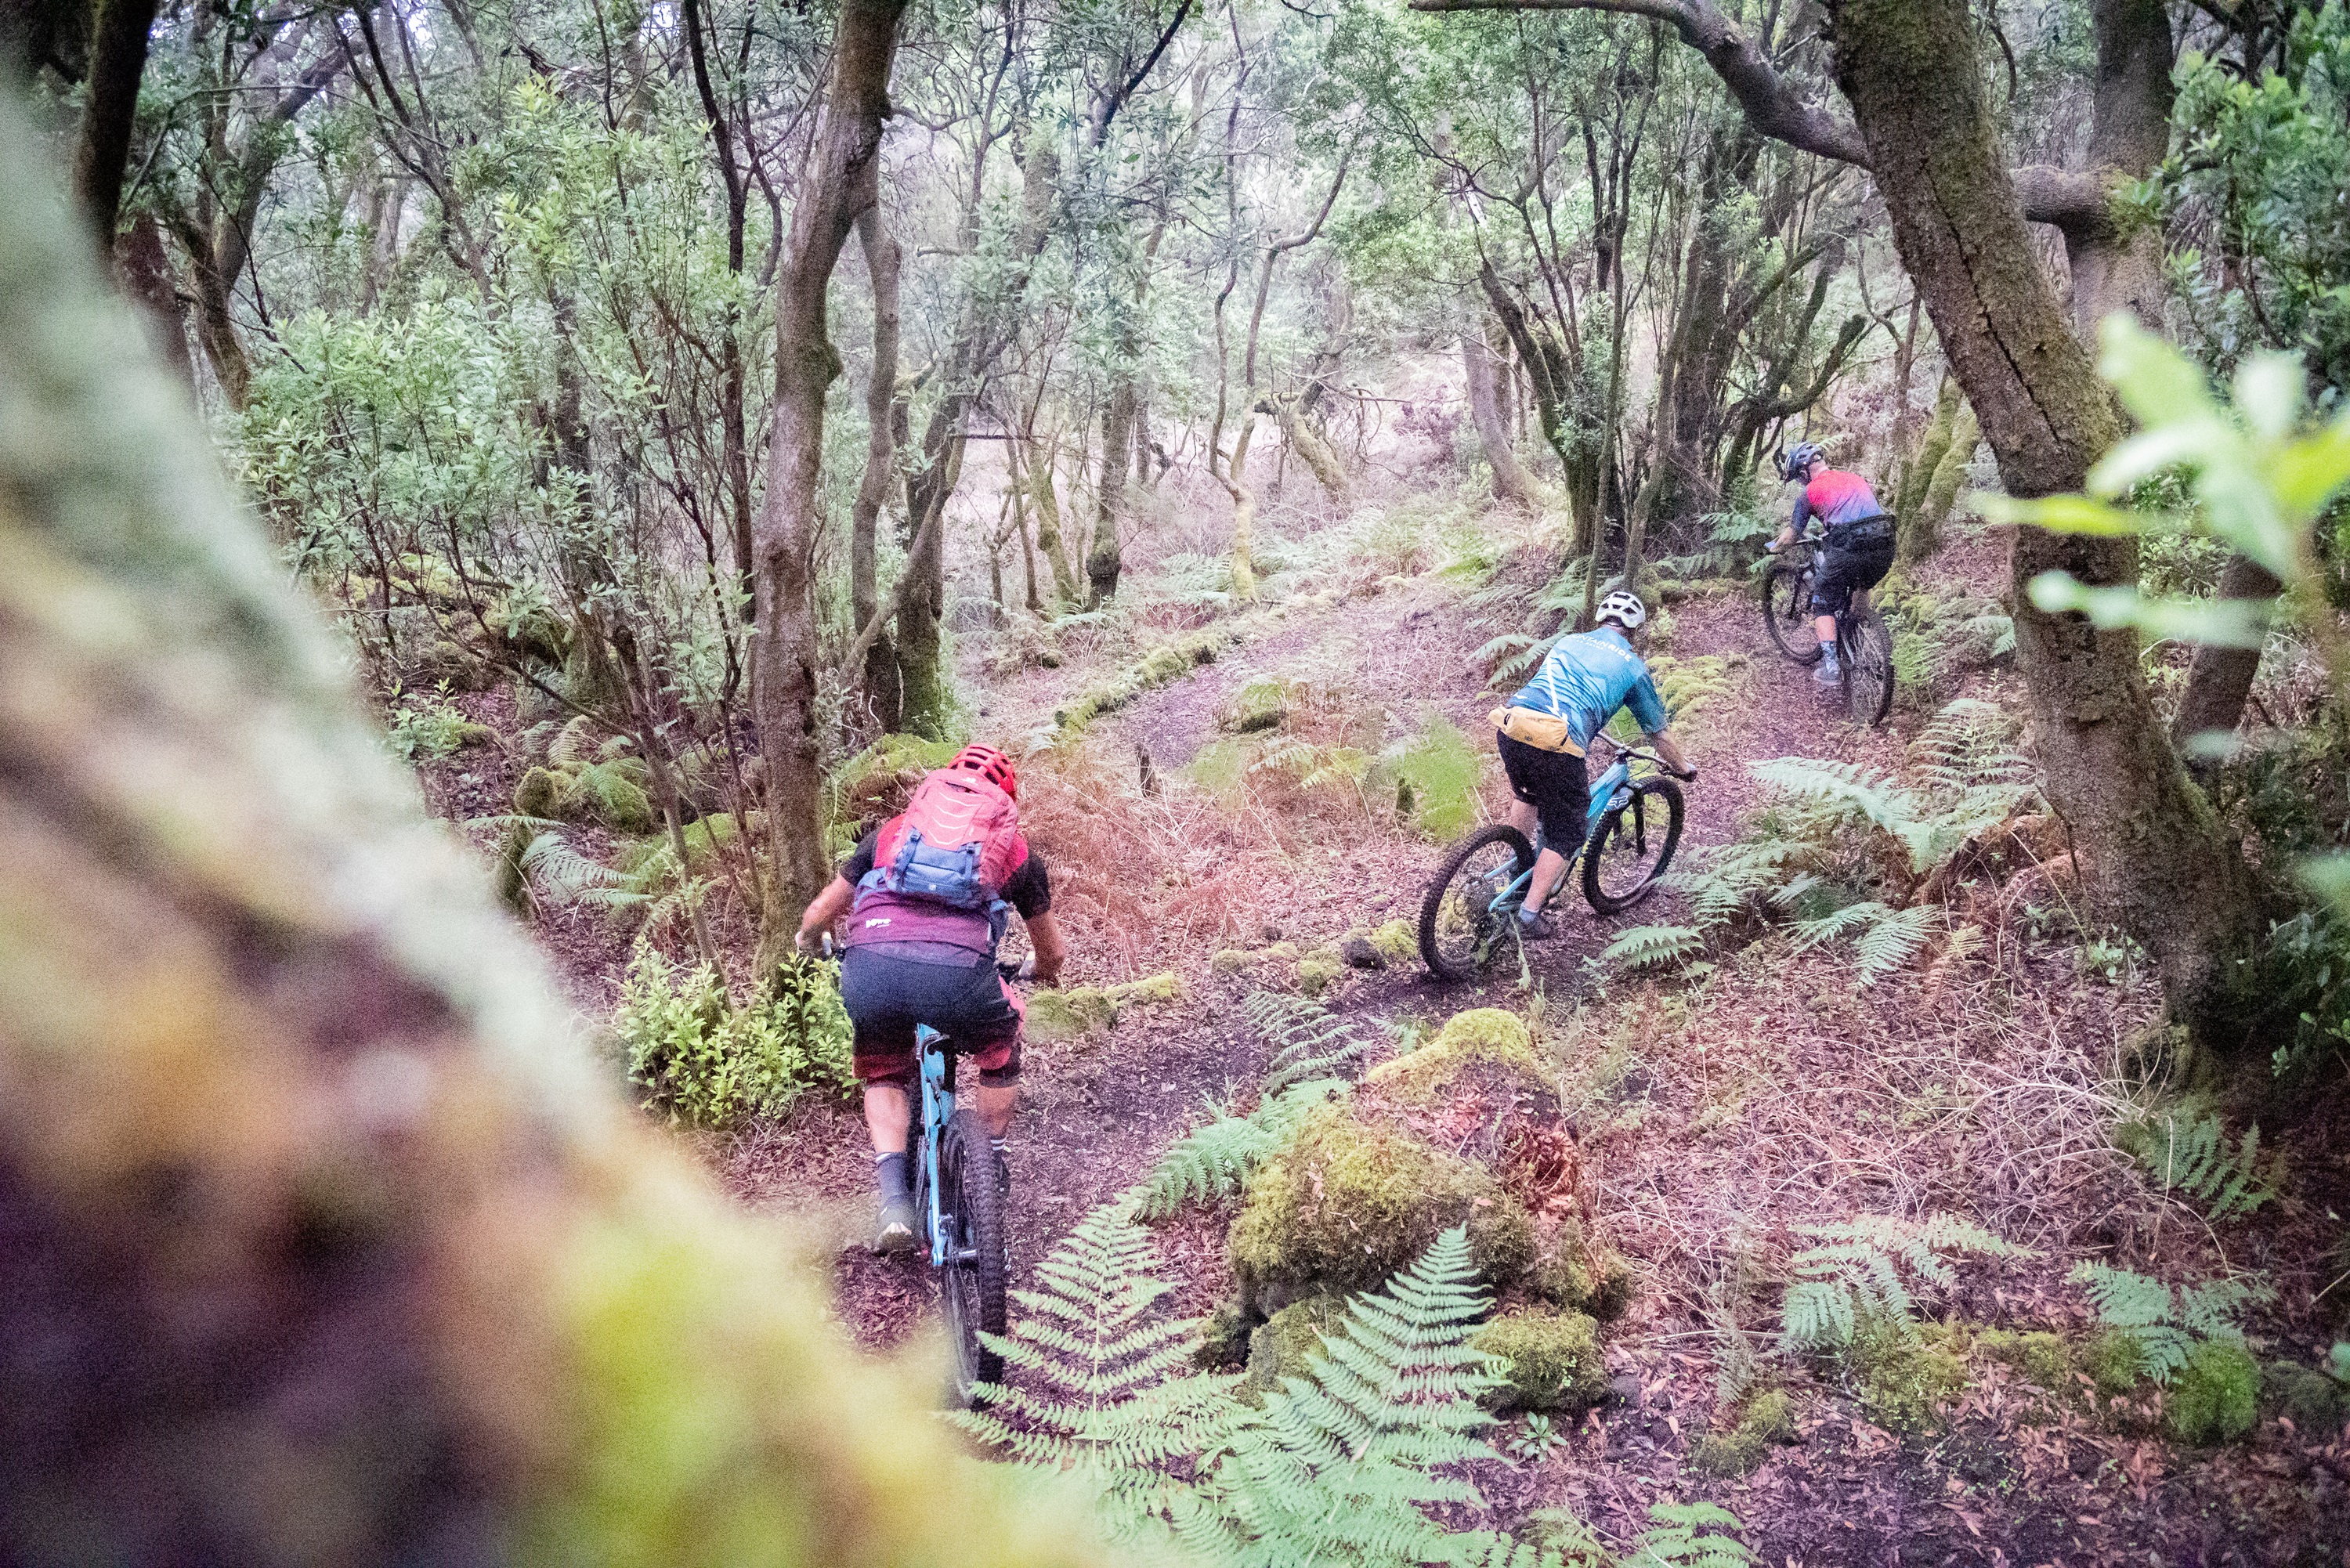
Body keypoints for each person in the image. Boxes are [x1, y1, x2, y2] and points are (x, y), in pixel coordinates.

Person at [795, 745, 1068, 1253]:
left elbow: (817, 916)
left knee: (885, 1070)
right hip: (959, 975)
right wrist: (1039, 971)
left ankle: (896, 1202)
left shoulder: (890, 834)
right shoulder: (1015, 851)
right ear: (1002, 803)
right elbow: (1052, 953)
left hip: (872, 969)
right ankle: (992, 1161)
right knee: (1000, 1052)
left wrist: (814, 944)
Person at [1488, 590, 1697, 939]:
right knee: (1568, 830)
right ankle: (1528, 912)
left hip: (1513, 723)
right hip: (1558, 742)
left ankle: (1518, 869)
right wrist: (1682, 768)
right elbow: (1658, 735)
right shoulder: (1633, 666)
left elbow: (1562, 690)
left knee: (1528, 794)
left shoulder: (1569, 641)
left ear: (1600, 621)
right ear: (1635, 631)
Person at [1769, 442, 1896, 685]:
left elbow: (1793, 534)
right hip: (1885, 541)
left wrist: (1776, 547)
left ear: (1805, 472)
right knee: (1861, 583)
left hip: (1850, 545)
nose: (1800, 482)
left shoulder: (1809, 492)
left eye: (1799, 477)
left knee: (1822, 599)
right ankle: (1855, 632)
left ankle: (1831, 668)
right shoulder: (1855, 478)